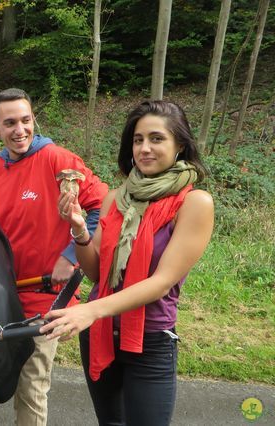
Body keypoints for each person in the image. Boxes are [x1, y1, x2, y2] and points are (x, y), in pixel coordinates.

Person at [41, 100, 214, 425]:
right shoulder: (115, 198)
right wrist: (79, 230)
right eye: (138, 140)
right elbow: (96, 273)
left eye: (156, 138)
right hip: (99, 334)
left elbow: (162, 282)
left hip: (149, 341)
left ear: (180, 144)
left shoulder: (193, 203)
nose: (145, 148)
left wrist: (89, 310)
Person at [0, 88, 108, 425]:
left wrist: (70, 255)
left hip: (46, 297)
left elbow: (103, 208)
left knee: (31, 384)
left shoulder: (58, 160)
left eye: (25, 120)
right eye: (9, 123)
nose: (20, 129)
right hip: (6, 293)